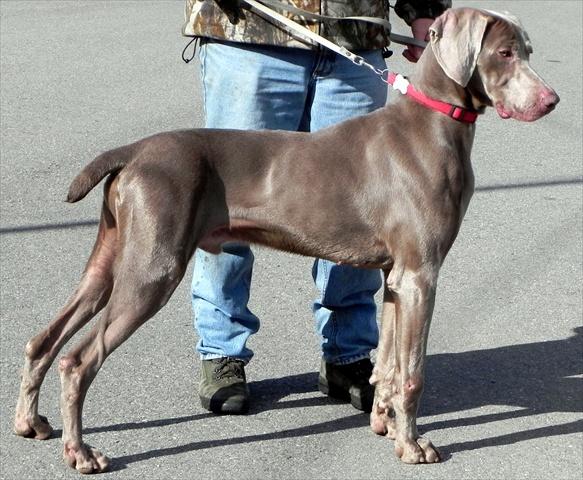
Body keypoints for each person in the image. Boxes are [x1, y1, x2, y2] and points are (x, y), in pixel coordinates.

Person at [182, 0, 451, 414]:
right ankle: (221, 351)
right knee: (229, 206)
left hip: (354, 37)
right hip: (252, 33)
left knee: (361, 213)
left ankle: (348, 355)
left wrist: (425, 10)